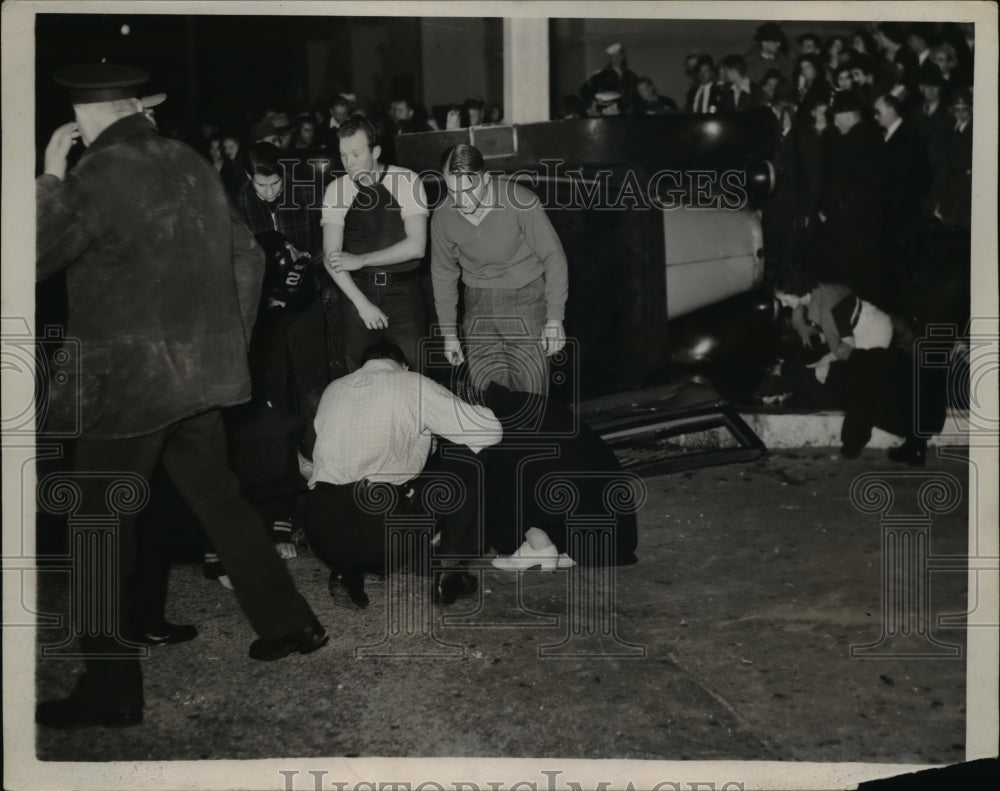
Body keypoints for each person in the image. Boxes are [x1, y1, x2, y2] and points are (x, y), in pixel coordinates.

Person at [34, 63, 328, 728]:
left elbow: (25, 256)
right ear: (134, 105)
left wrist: (50, 176)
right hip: (200, 377)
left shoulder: (91, 177)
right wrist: (223, 343)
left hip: (126, 388)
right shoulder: (192, 162)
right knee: (221, 501)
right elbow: (249, 259)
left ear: (81, 117)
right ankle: (290, 623)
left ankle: (111, 690)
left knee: (99, 529)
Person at [300, 341, 503, 607]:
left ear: (363, 366)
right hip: (381, 534)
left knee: (355, 485)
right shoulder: (410, 382)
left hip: (321, 535)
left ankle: (345, 571)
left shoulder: (334, 389)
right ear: (404, 366)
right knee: (473, 455)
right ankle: (451, 573)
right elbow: (490, 431)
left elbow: (312, 462)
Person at [430, 143, 569, 396]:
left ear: (485, 178)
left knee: (532, 395)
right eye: (452, 191)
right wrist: (449, 334)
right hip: (477, 303)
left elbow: (554, 258)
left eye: (468, 190)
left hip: (526, 298)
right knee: (487, 395)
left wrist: (555, 318)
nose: (460, 201)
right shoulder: (442, 215)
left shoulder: (521, 201)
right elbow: (443, 274)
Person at [321, 116, 430, 372]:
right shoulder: (336, 190)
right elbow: (331, 257)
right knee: (357, 377)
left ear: (376, 151)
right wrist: (362, 305)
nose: (348, 163)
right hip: (356, 291)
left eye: (356, 154)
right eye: (343, 155)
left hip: (403, 293)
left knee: (416, 375)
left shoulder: (407, 181)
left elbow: (416, 246)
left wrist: (360, 259)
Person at [581, 42, 639, 113]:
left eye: (618, 55)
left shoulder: (631, 75)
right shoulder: (602, 74)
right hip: (609, 110)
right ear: (610, 59)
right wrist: (595, 101)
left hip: (628, 111)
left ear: (622, 57)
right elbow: (584, 90)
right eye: (613, 56)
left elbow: (637, 93)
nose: (616, 58)